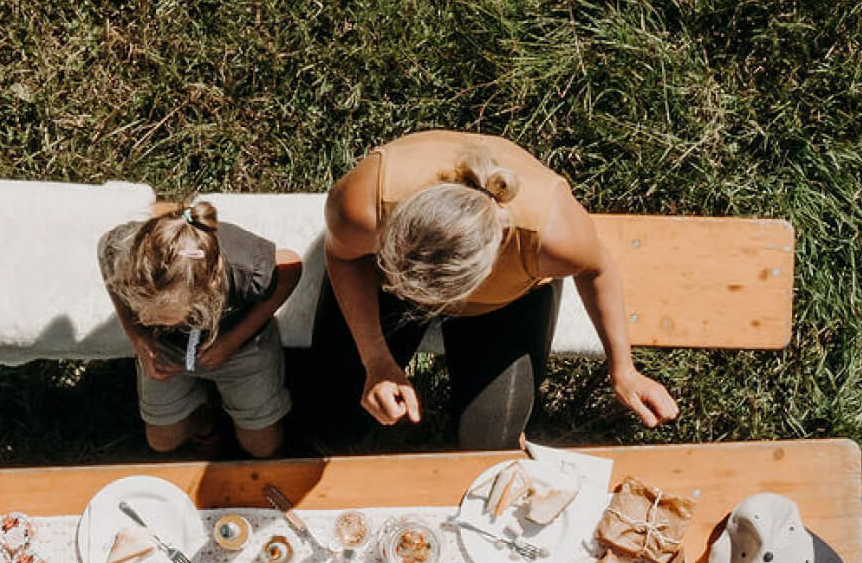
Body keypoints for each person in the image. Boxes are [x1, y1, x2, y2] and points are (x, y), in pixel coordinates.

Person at [310, 129, 680, 451]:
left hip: (503, 303)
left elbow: (598, 269)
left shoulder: (552, 237)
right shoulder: (361, 207)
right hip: (390, 285)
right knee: (332, 419)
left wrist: (623, 368)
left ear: (501, 241)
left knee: (490, 440)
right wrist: (376, 361)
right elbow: (344, 258)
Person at [98, 199, 302, 457]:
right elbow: (105, 252)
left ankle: (235, 416)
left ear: (208, 289)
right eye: (142, 313)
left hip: (241, 348)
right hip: (167, 350)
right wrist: (136, 335)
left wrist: (232, 341)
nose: (147, 321)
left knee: (263, 447)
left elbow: (291, 268)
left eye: (160, 317)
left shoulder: (246, 269)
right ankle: (206, 419)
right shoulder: (125, 254)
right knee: (162, 441)